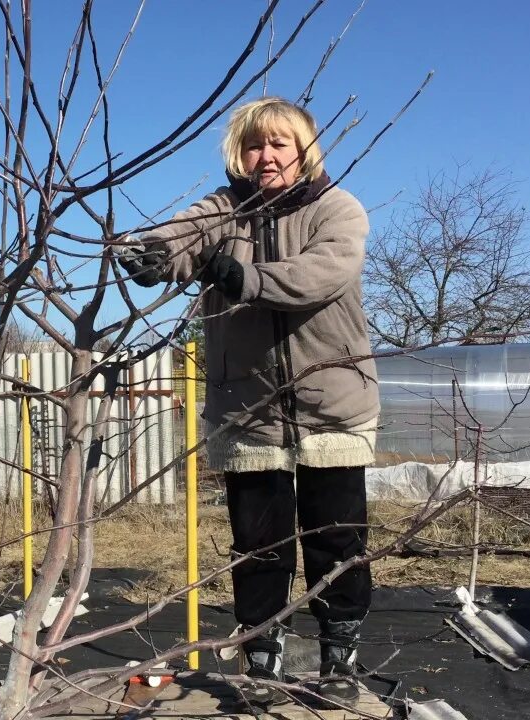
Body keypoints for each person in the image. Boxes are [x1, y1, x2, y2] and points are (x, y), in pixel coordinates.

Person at [119, 96, 378, 709]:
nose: (267, 156)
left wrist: (246, 278)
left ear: (304, 149)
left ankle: (339, 658)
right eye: (256, 145)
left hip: (332, 401)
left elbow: (322, 274)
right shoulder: (223, 211)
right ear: (241, 153)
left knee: (335, 539)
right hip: (248, 409)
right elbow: (181, 237)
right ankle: (262, 655)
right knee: (258, 543)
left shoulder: (336, 208)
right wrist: (153, 254)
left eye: (280, 144)